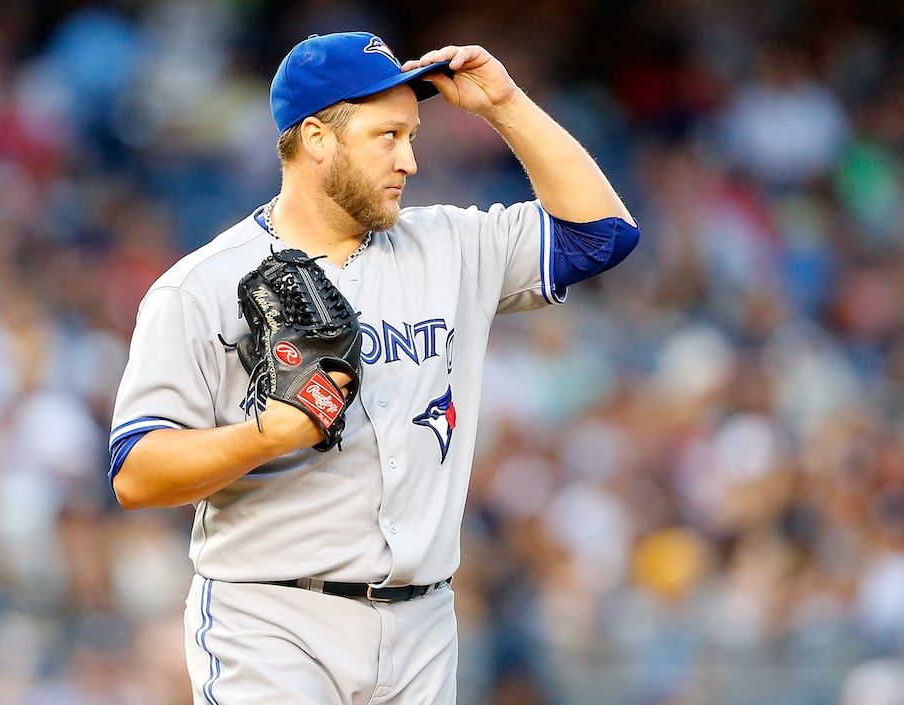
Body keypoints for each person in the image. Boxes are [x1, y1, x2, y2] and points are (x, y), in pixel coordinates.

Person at [109, 31, 639, 705]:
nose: (410, 160)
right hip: (273, 620)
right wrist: (267, 436)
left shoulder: (450, 246)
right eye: (386, 135)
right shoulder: (203, 286)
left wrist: (505, 105)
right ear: (316, 138)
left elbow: (601, 236)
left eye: (411, 134)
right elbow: (136, 472)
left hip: (423, 623)